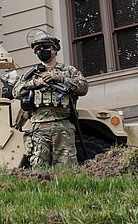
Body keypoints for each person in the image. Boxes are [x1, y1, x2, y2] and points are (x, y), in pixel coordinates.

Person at [13, 30, 88, 167]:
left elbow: (83, 87)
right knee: (39, 169)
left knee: (67, 168)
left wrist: (60, 78)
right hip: (38, 128)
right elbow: (16, 91)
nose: (42, 51)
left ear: (54, 50)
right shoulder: (32, 74)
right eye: (38, 49)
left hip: (62, 125)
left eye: (46, 47)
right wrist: (36, 83)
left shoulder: (68, 70)